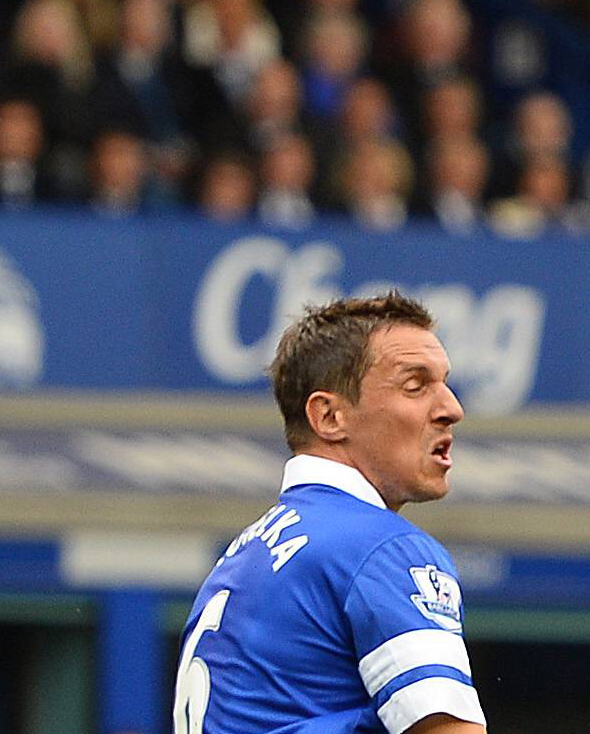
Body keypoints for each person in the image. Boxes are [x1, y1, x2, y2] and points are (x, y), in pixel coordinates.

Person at [172, 293, 483, 734]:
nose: (452, 408)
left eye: (445, 383)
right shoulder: (382, 547)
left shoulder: (241, 559)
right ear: (329, 415)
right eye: (416, 385)